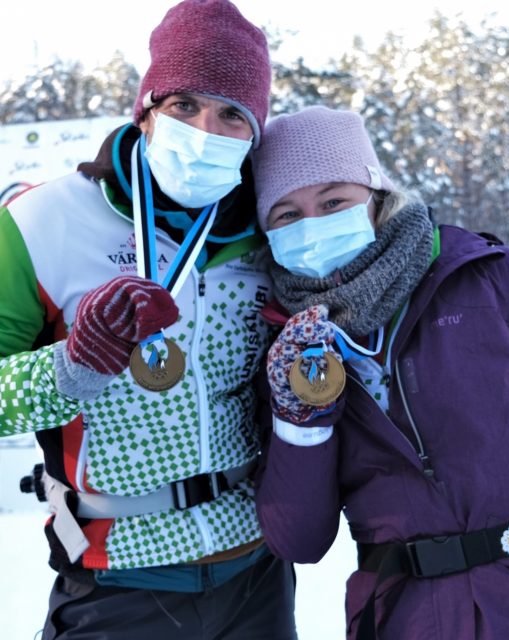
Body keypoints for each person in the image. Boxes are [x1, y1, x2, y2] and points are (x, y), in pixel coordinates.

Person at [250, 105, 509, 639]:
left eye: (334, 200)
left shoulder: (484, 278)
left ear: (376, 199)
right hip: (409, 618)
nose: (313, 225)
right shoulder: (288, 347)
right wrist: (301, 423)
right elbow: (299, 540)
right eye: (287, 214)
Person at [0, 1, 298, 638]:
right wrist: (71, 368)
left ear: (255, 136)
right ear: (146, 110)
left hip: (256, 576)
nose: (205, 130)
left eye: (232, 115)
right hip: (117, 581)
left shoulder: (271, 235)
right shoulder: (40, 224)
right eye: (185, 105)